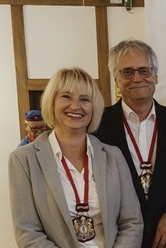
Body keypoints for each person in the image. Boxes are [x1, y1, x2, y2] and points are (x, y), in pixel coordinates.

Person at [8, 67, 143, 247]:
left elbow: (132, 222)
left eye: (85, 99)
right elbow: (28, 233)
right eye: (66, 96)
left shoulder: (113, 155)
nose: (75, 106)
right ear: (52, 102)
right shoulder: (23, 160)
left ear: (93, 107)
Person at [94, 39, 166, 248]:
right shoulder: (98, 126)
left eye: (144, 70)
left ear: (156, 76)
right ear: (116, 79)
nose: (137, 78)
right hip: (117, 239)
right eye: (127, 72)